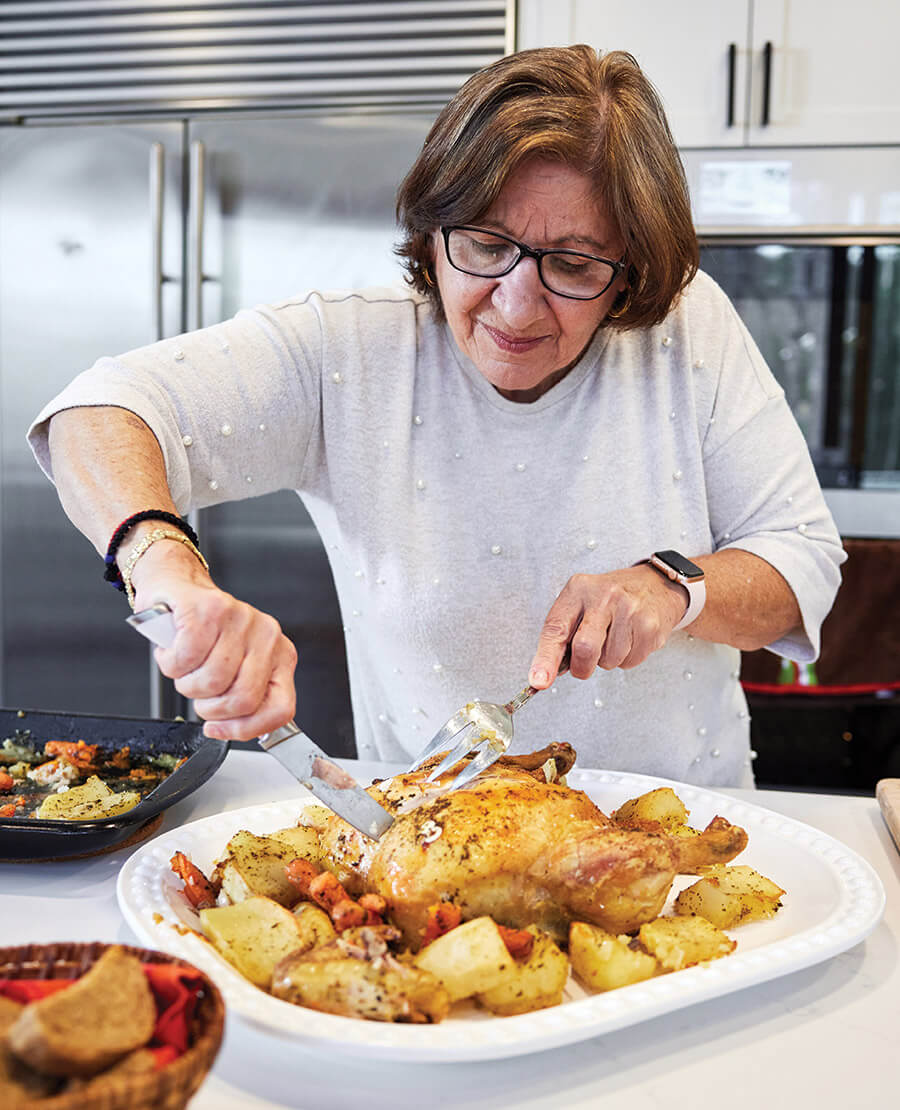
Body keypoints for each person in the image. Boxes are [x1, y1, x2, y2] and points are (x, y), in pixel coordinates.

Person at [27, 46, 844, 787]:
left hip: (684, 838)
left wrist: (672, 588)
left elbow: (802, 561)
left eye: (571, 263)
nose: (516, 305)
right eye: (485, 245)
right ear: (430, 235)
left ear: (628, 275)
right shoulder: (349, 350)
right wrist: (170, 572)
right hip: (436, 845)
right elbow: (96, 412)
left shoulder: (688, 333)